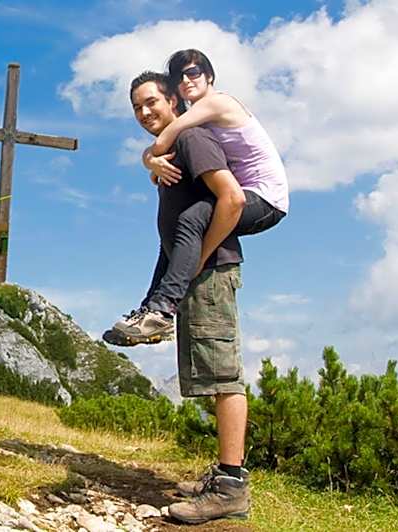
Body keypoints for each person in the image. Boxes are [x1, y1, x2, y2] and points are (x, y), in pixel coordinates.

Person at [121, 71, 251, 524]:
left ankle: (232, 488)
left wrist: (202, 258)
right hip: (198, 273)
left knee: (223, 376)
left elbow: (231, 199)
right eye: (137, 107)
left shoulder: (193, 138)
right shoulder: (170, 149)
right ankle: (223, 476)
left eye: (152, 102)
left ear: (174, 100)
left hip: (213, 272)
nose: (144, 112)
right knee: (210, 375)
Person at [103, 49, 288, 347]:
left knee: (192, 219)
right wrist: (150, 161)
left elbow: (167, 137)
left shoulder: (215, 105)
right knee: (179, 233)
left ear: (210, 75)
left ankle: (161, 310)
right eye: (179, 76)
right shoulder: (199, 122)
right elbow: (162, 143)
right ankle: (152, 309)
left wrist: (150, 160)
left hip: (266, 199)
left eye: (194, 73)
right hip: (248, 194)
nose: (187, 81)